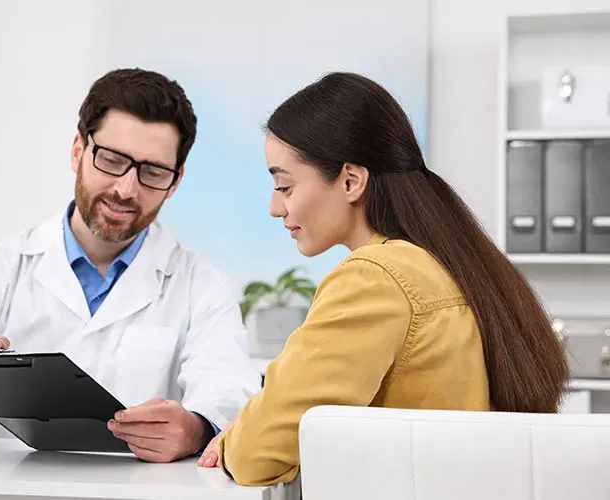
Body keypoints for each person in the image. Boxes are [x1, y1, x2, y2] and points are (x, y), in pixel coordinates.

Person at [197, 72, 569, 484]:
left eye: (285, 186)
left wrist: (235, 436)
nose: (275, 207)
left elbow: (258, 455)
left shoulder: (374, 279)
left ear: (351, 181)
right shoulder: (454, 265)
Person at [0, 68, 262, 463]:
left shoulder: (202, 285)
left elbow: (228, 393)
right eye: (112, 160)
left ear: (175, 181)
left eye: (153, 172)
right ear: (77, 151)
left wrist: (196, 429)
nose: (126, 189)